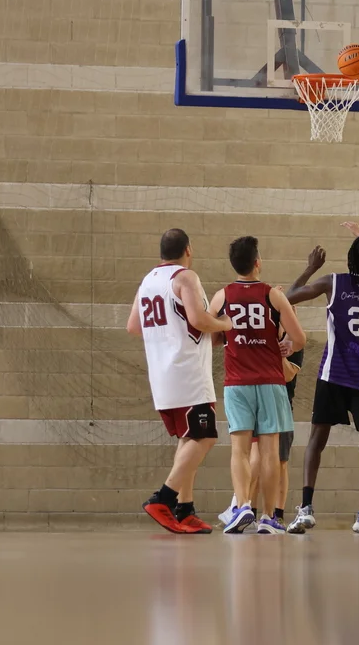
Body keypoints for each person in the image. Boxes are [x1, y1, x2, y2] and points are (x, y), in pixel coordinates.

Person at [285, 226, 359, 534]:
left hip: (333, 374)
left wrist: (310, 268)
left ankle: (306, 509)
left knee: (316, 440)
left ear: (350, 260)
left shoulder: (332, 282)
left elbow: (287, 298)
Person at [127, 228, 233, 534]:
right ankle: (163, 498)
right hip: (187, 373)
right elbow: (198, 320)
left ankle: (185, 510)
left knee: (188, 439)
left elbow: (133, 326)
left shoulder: (148, 281)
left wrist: (169, 333)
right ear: (188, 249)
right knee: (205, 437)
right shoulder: (185, 277)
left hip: (162, 375)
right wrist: (224, 324)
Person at [209, 236, 306, 534]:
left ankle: (242, 507)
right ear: (257, 262)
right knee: (269, 452)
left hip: (236, 383)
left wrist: (230, 335)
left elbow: (211, 339)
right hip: (270, 382)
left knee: (239, 450)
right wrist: (287, 346)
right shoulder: (272, 295)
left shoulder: (221, 297)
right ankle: (268, 517)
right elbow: (300, 338)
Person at [217, 326, 302, 530]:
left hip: (278, 400)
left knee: (279, 460)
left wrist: (276, 353)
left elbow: (289, 374)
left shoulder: (292, 341)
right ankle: (245, 507)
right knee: (252, 455)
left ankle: (273, 514)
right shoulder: (257, 331)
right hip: (252, 391)